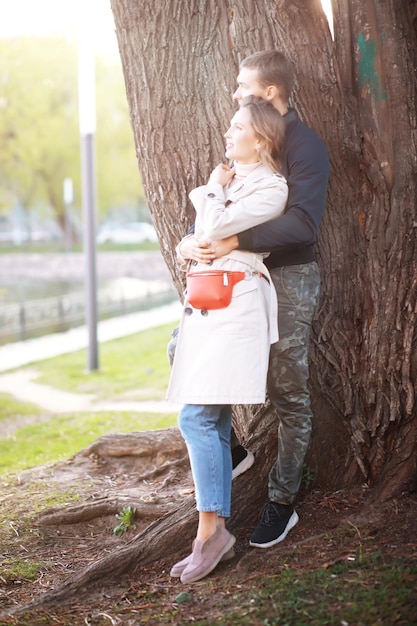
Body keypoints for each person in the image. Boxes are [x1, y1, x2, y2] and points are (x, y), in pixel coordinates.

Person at [174, 50, 330, 549]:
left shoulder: (303, 145)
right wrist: (191, 244)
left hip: (287, 277)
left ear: (268, 92)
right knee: (185, 349)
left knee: (288, 387)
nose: (235, 93)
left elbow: (303, 222)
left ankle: (281, 501)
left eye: (243, 86)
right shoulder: (242, 142)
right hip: (235, 282)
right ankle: (233, 450)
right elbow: (217, 216)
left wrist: (236, 242)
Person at [167, 96, 289, 583]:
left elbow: (216, 227)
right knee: (207, 417)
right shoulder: (233, 183)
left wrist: (213, 190)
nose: (227, 132)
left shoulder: (271, 188)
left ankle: (209, 533)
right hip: (209, 304)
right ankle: (211, 532)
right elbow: (201, 240)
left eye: (236, 127)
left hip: (236, 308)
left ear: (260, 139)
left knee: (195, 415)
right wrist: (184, 247)